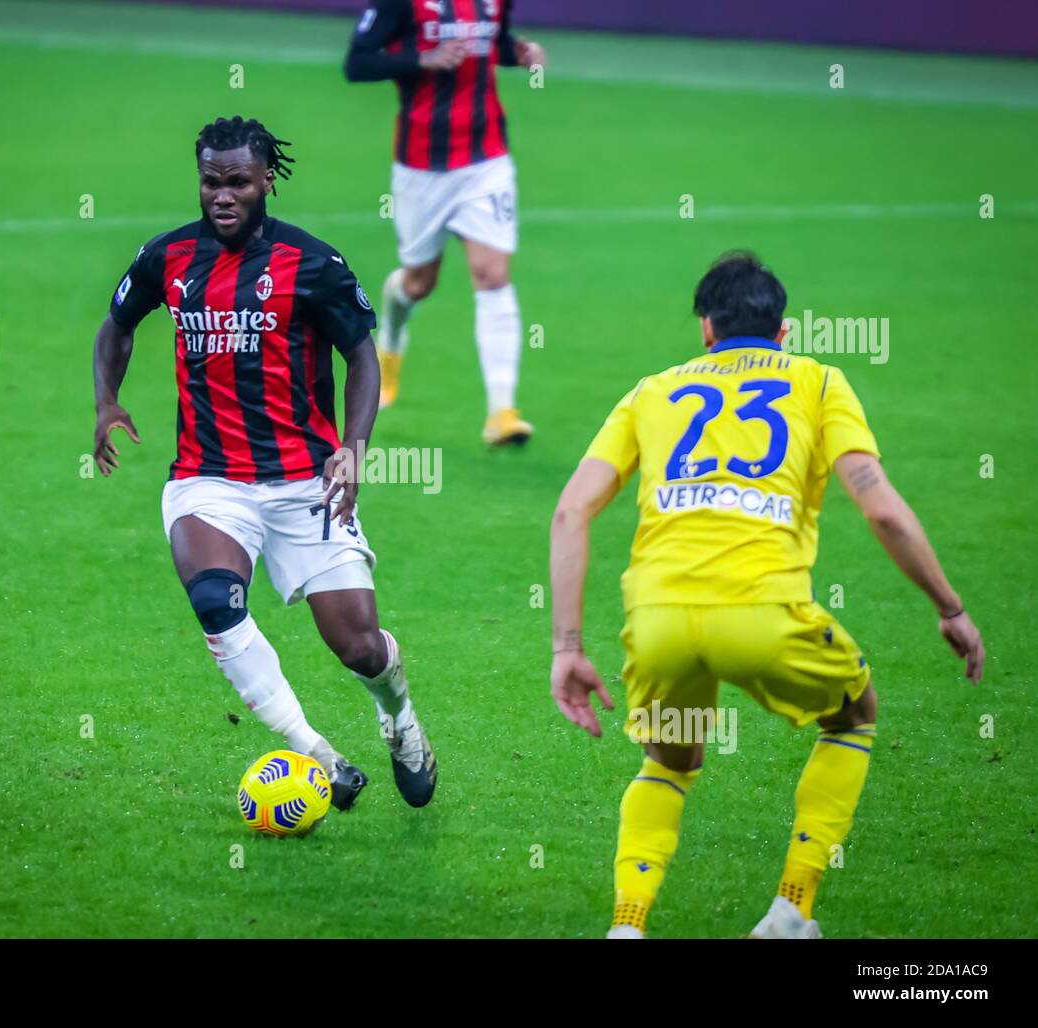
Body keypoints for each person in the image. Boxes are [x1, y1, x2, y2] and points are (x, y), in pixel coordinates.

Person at [548, 251, 985, 937]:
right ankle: (792, 909)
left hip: (659, 619)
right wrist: (949, 607)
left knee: (670, 759)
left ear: (705, 330)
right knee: (853, 716)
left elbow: (571, 511)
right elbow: (882, 509)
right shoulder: (818, 381)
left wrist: (567, 646)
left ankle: (627, 926)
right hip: (763, 616)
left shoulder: (652, 390)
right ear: (784, 331)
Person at [91, 116, 438, 811]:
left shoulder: (313, 264)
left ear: (265, 181)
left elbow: (362, 355)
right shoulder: (168, 258)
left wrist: (354, 446)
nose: (222, 195)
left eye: (238, 182)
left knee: (360, 646)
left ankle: (399, 717)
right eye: (211, 181)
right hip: (206, 479)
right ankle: (318, 755)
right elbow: (117, 326)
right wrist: (107, 402)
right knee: (216, 603)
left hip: (307, 483)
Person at [344, 0, 545, 445]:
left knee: (492, 275)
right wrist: (422, 59)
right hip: (420, 167)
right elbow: (357, 62)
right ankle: (391, 345)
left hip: (485, 159)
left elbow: (493, 42)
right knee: (418, 283)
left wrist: (519, 53)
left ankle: (501, 412)